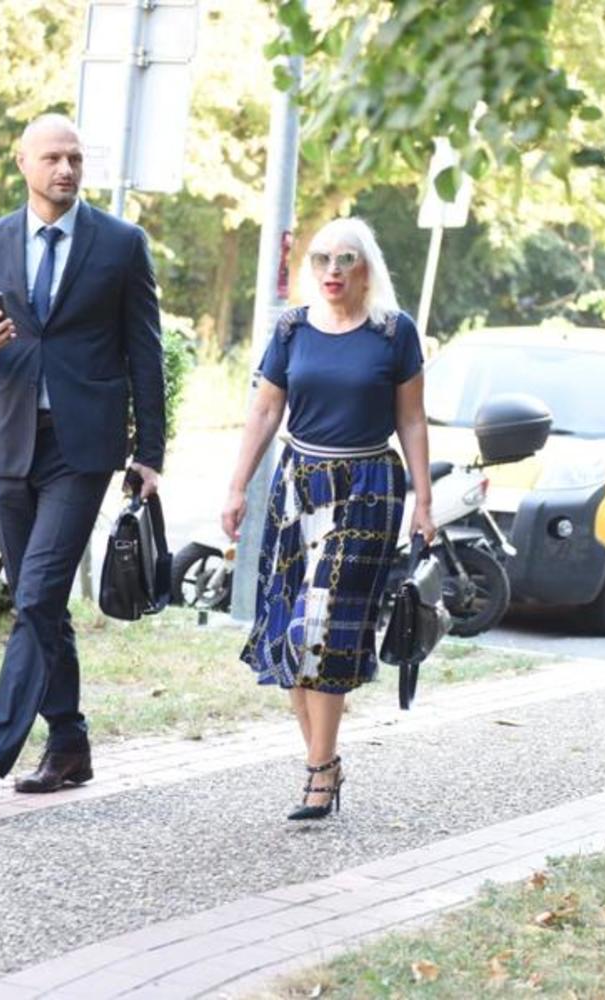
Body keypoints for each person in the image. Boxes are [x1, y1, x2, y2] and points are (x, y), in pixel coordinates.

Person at [0, 114, 165, 807]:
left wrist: (150, 452)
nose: (66, 169)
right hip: (11, 442)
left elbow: (145, 351)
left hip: (81, 449)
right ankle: (69, 742)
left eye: (76, 158)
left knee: (35, 596)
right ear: (23, 163)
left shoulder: (121, 244)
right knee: (42, 602)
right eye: (53, 157)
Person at [222, 217, 434, 821]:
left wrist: (423, 500)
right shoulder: (291, 328)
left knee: (320, 625)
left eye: (346, 259)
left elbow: (411, 419)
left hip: (367, 487)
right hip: (297, 483)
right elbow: (265, 412)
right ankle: (325, 762)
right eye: (321, 259)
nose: (332, 270)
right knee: (288, 628)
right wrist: (236, 487)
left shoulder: (393, 331)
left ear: (367, 268)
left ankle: (318, 772)